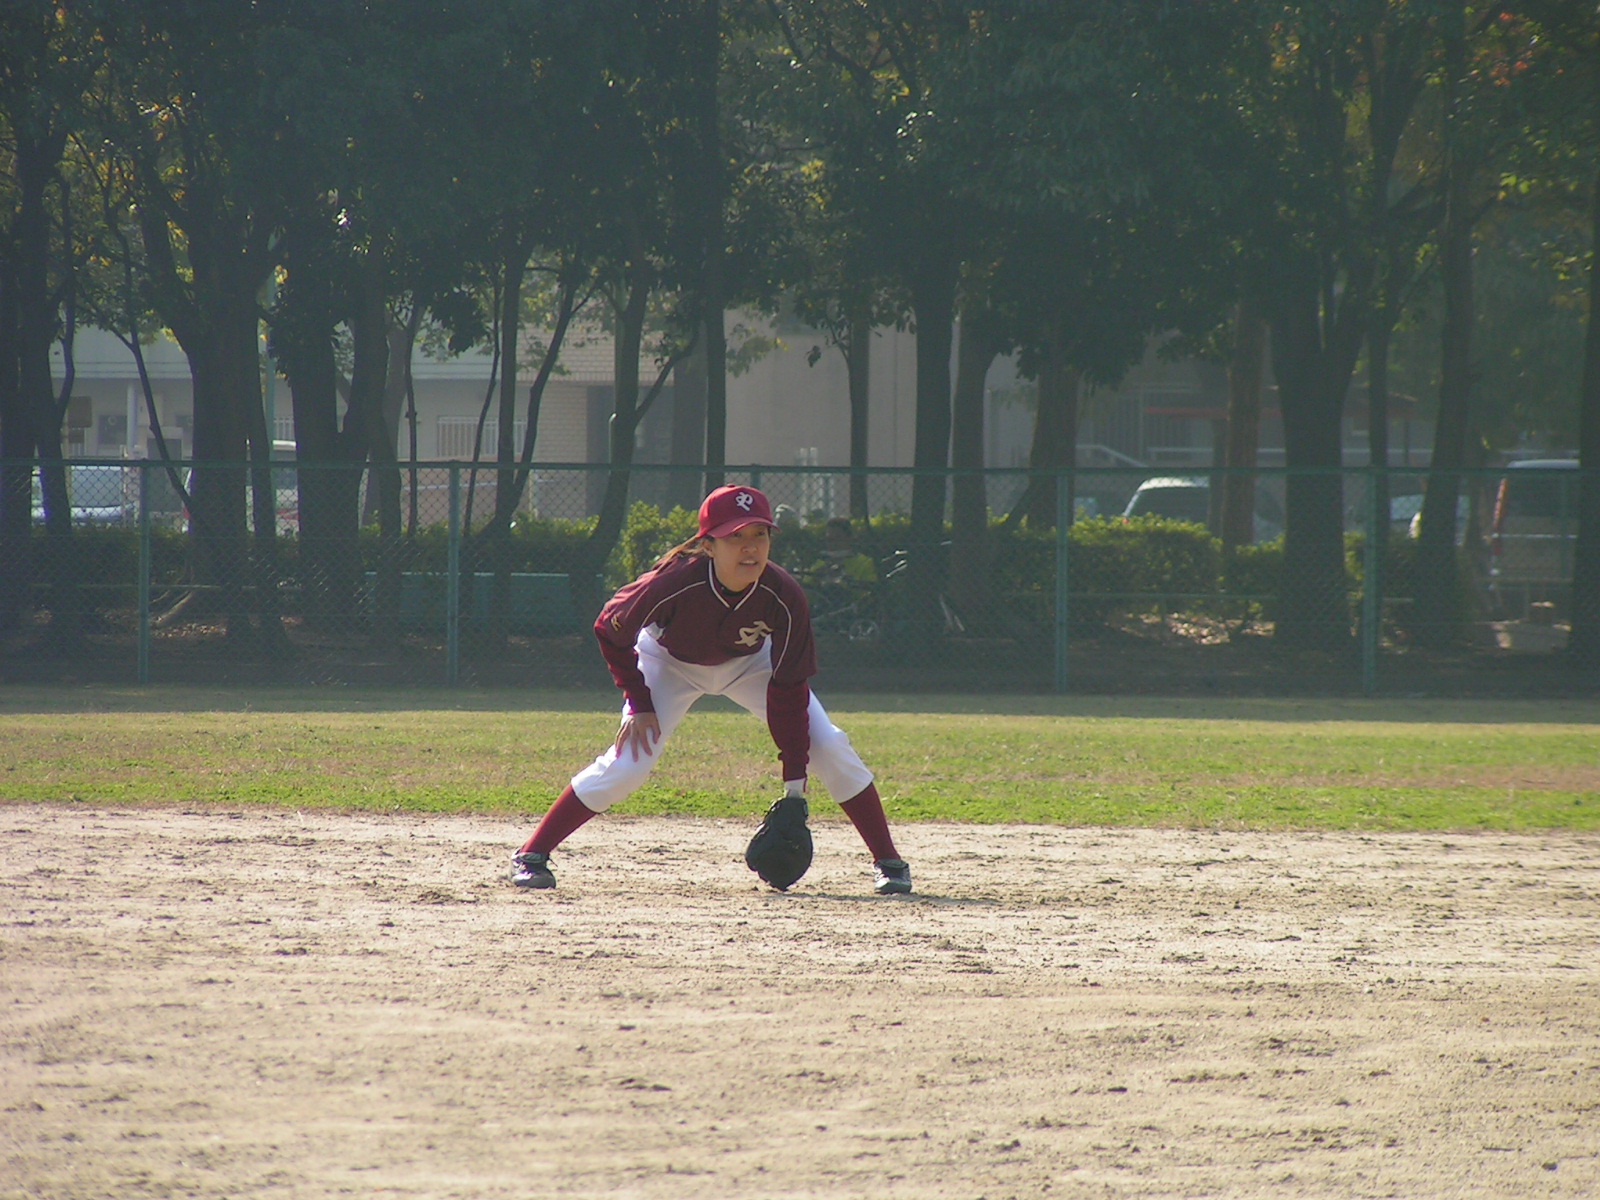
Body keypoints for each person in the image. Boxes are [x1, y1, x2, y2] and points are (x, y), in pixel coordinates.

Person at [510, 485, 912, 896]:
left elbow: (789, 689)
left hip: (751, 665)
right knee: (629, 764)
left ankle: (889, 862)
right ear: (708, 545)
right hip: (668, 663)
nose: (750, 547)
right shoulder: (674, 582)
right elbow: (610, 630)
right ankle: (531, 854)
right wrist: (640, 702)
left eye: (759, 534)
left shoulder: (784, 595)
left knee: (829, 745)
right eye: (734, 536)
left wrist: (794, 789)